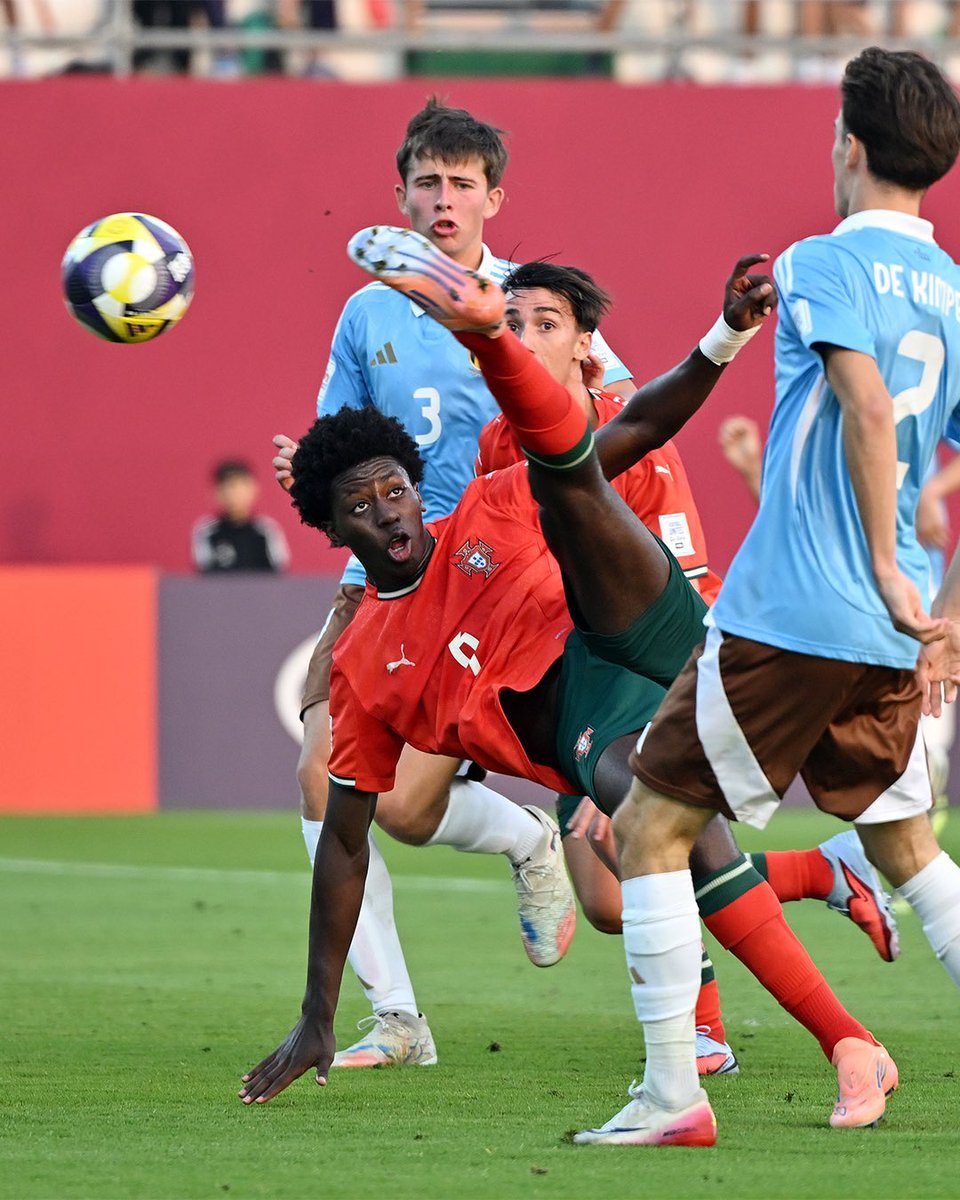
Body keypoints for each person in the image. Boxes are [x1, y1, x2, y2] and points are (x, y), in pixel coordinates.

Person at [240, 226, 902, 1125]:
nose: (387, 513)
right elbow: (347, 844)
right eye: (359, 507)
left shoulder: (487, 506)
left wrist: (725, 337)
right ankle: (848, 1044)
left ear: (416, 486)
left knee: (567, 480)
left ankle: (681, 1087)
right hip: (583, 722)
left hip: (641, 629)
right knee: (658, 852)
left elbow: (637, 429)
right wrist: (316, 1013)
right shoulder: (365, 667)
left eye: (394, 490)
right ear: (333, 532)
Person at [583, 46, 960, 1149]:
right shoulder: (954, 292)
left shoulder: (820, 263)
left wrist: (882, 562)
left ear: (849, 145)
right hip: (891, 633)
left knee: (649, 827)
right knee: (910, 852)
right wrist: (936, 605)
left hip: (794, 615)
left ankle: (672, 1097)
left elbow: (868, 407)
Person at [273, 97, 636, 1071]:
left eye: (461, 184)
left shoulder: (527, 304)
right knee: (322, 777)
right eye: (426, 182)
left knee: (405, 811)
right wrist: (308, 464)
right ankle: (396, 1017)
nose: (442, 199)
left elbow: (617, 403)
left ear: (493, 199)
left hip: (499, 576)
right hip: (382, 580)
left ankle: (528, 840)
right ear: (400, 196)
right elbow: (339, 439)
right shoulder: (367, 313)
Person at [720, 412, 959, 836]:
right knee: (886, 765)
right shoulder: (825, 427)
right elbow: (795, 528)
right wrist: (754, 471)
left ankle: (917, 810)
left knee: (923, 745)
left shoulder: (914, 400)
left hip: (917, 608)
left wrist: (931, 491)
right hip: (854, 616)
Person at [191, 459, 289, 574]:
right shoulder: (206, 532)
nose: (235, 493)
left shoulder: (267, 530)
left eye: (241, 486)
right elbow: (203, 573)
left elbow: (280, 572)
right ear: (216, 492)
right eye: (229, 487)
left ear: (253, 489)